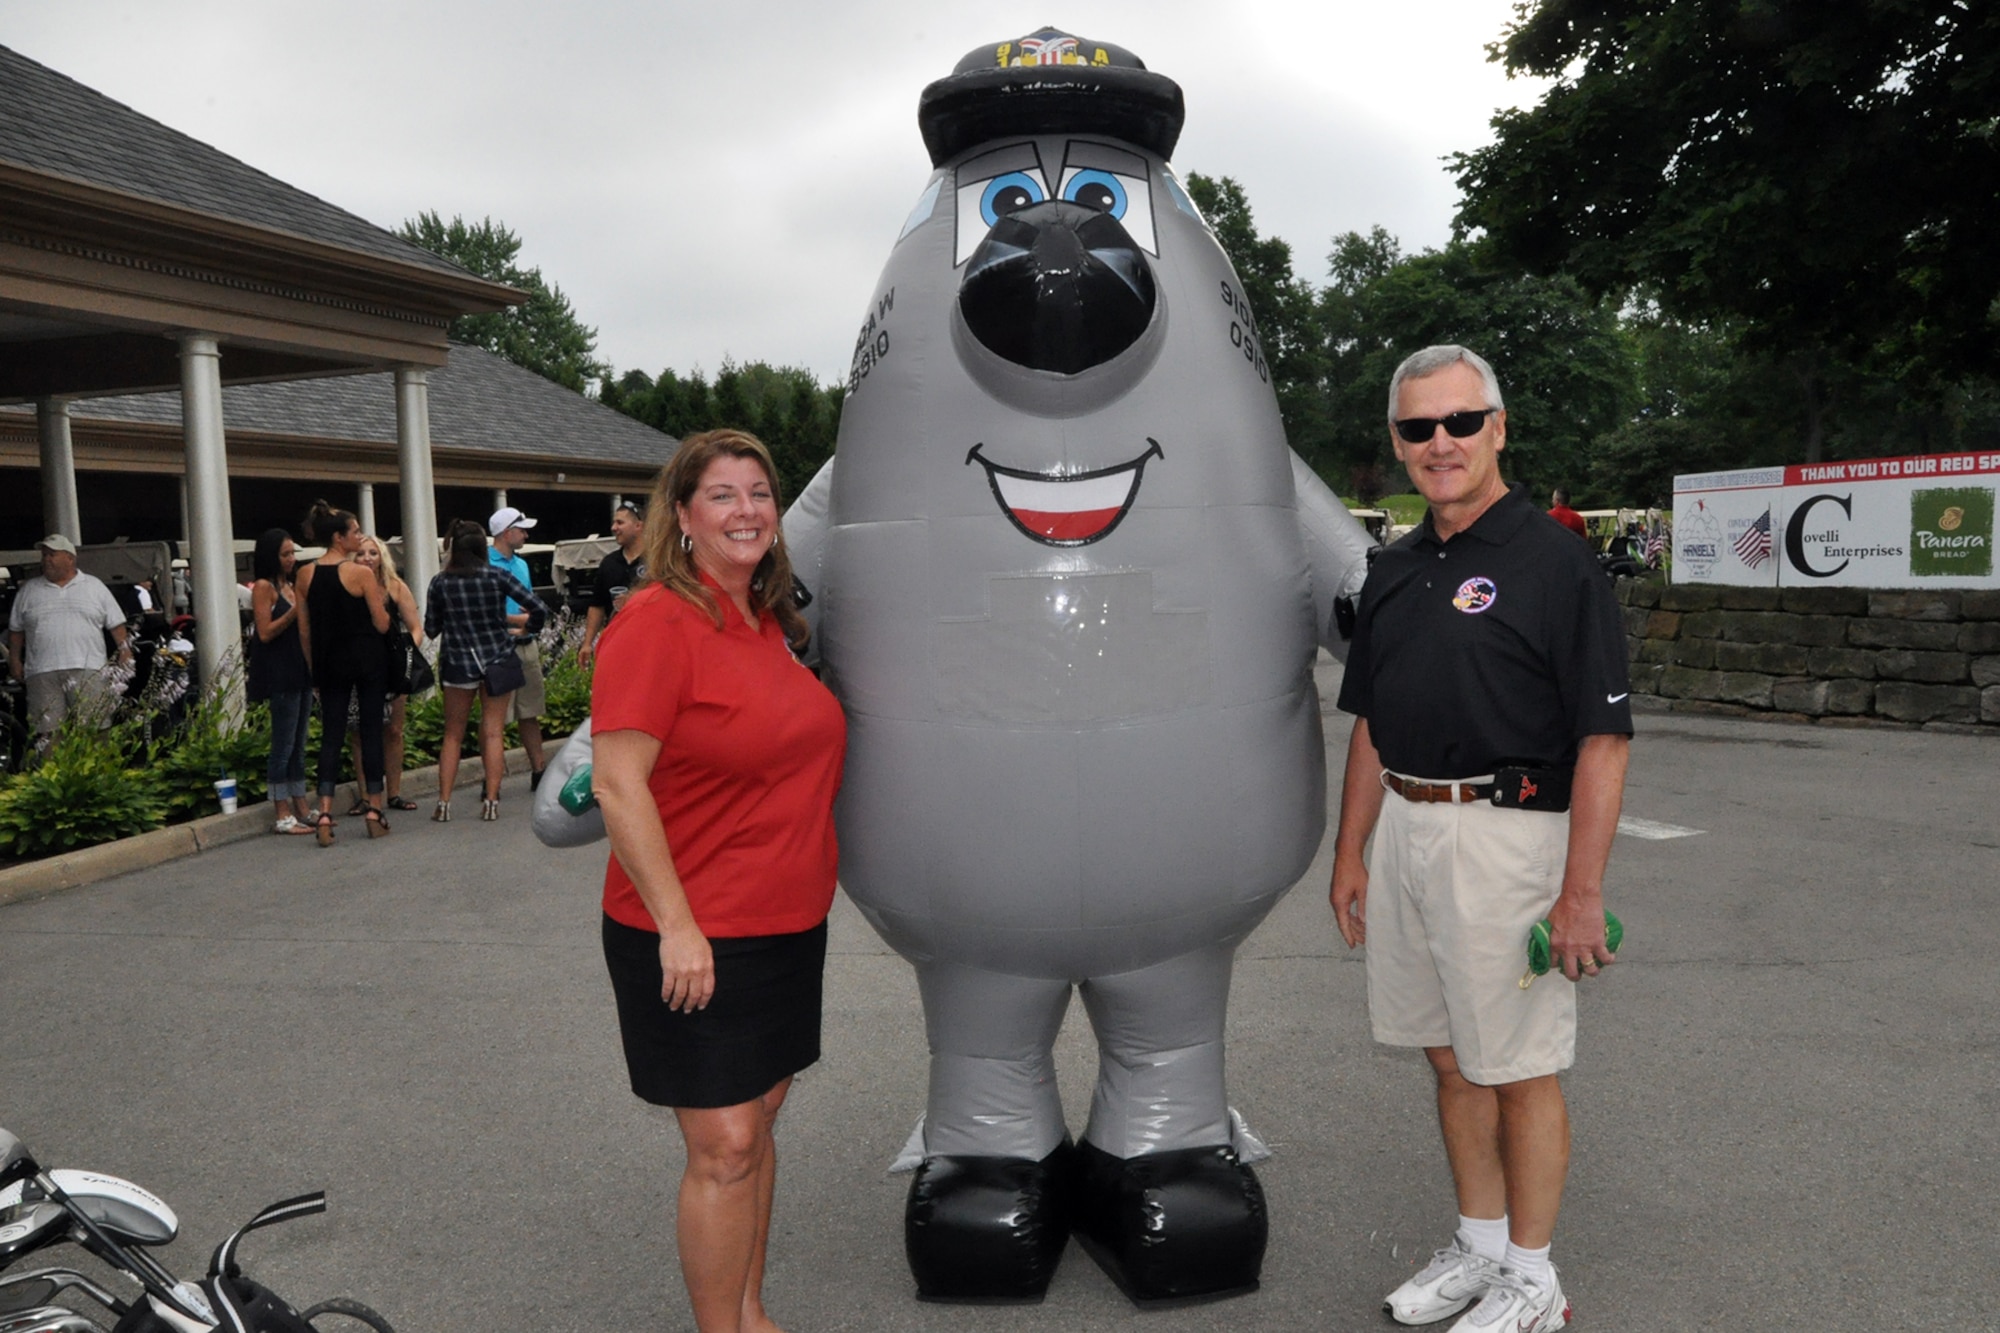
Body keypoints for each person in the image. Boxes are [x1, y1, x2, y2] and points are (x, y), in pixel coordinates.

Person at [1329, 346, 1631, 1333]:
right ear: (1397, 444)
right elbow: (1370, 719)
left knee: (1517, 1064)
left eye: (1460, 421)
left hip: (1507, 838)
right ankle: (1480, 1242)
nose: (1440, 443)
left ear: (1497, 427)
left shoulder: (1554, 562)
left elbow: (1601, 738)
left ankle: (1534, 1280)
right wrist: (1348, 852)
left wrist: (1579, 891)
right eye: (1417, 429)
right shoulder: (1394, 566)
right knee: (1448, 1059)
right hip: (1407, 829)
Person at [591, 430, 844, 1333]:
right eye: (723, 495)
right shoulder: (657, 621)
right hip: (693, 931)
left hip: (783, 923)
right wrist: (677, 924)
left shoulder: (769, 623)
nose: (746, 511)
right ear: (685, 517)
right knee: (725, 1142)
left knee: (757, 1122)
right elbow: (618, 784)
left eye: (759, 494)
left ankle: (749, 1312)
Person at [425, 520, 549, 822]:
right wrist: (522, 630)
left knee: (452, 735)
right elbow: (538, 608)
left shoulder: (440, 582)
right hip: (497, 658)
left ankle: (443, 803)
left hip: (457, 662)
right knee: (493, 732)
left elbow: (431, 628)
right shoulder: (498, 576)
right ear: (482, 548)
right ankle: (492, 801)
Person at [296, 501, 392, 846]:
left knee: (332, 736)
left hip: (328, 661)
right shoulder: (361, 574)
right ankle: (375, 808)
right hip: (367, 658)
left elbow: (304, 630)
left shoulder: (305, 574)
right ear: (339, 538)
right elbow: (381, 623)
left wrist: (313, 669)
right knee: (370, 733)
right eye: (354, 531)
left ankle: (323, 810)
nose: (359, 536)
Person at [6, 534, 130, 741]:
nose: (46, 559)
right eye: (44, 555)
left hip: (88, 668)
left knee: (95, 728)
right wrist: (14, 659)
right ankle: (52, 773)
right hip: (41, 671)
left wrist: (125, 651)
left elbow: (116, 624)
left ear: (70, 558)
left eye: (52, 554)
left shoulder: (94, 586)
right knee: (47, 733)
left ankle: (98, 772)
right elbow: (16, 631)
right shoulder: (28, 590)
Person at [344, 536, 425, 814]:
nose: (367, 557)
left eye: (373, 553)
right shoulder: (348, 588)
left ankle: (394, 793)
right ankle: (366, 795)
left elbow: (416, 627)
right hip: (357, 667)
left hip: (391, 668)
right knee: (359, 733)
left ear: (382, 557)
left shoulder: (395, 587)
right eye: (361, 553)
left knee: (393, 731)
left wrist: (405, 657)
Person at [247, 528, 315, 835]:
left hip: (300, 669)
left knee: (299, 742)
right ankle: (281, 810)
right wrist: (294, 612)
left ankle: (301, 803)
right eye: (285, 554)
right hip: (279, 671)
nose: (290, 559)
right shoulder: (264, 587)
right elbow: (265, 631)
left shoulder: (290, 584)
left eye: (292, 554)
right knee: (283, 744)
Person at [487, 506, 549, 788]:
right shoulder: (485, 564)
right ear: (506, 532)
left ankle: (539, 771)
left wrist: (529, 621)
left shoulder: (522, 565)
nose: (525, 534)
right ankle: (492, 780)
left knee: (530, 711)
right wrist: (517, 618)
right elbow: (483, 611)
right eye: (521, 529)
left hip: (526, 643)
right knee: (495, 719)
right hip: (499, 646)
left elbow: (530, 603)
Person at [578, 500, 647, 669]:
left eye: (620, 522)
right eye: (614, 522)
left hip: (651, 642)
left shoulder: (657, 561)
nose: (614, 528)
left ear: (638, 526)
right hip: (617, 642)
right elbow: (597, 605)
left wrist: (634, 599)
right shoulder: (609, 563)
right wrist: (587, 643)